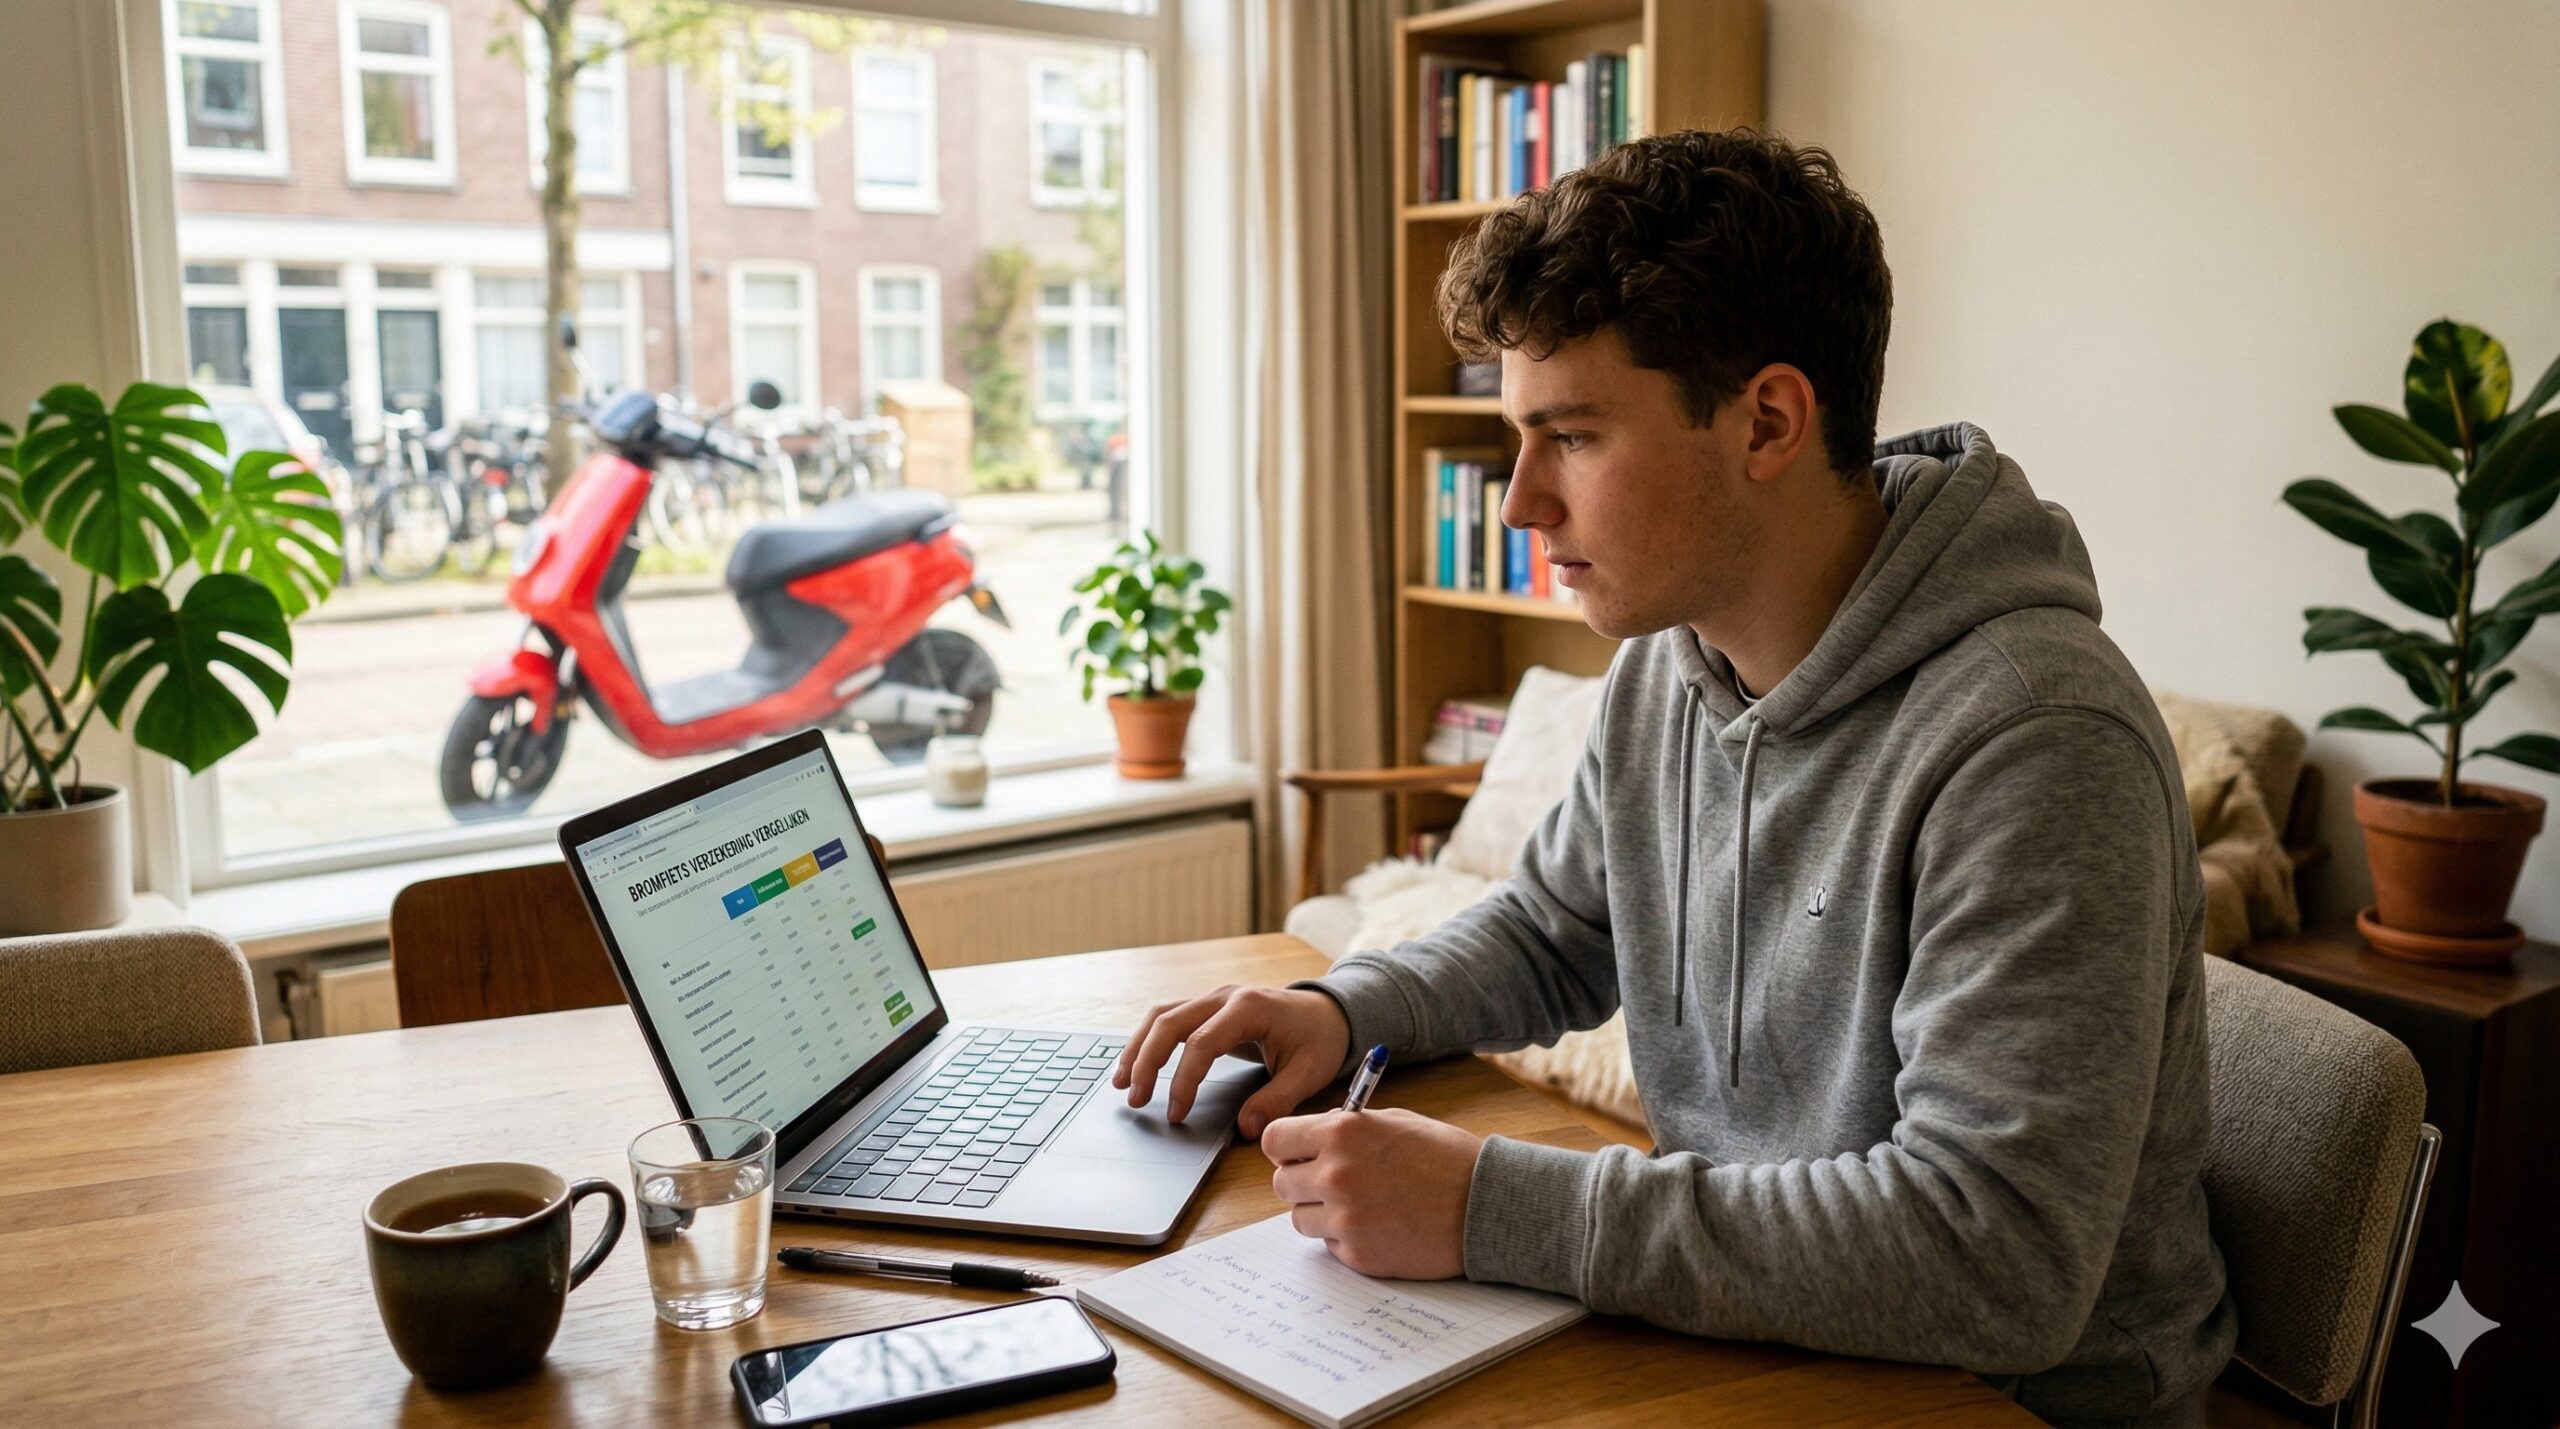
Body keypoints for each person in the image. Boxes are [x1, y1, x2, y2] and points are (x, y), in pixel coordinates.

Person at [1112, 128, 2234, 1425]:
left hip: (2001, 1401)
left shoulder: (2037, 740)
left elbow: (1997, 1260)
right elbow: (1555, 929)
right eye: (1519, 438)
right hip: (1759, 1340)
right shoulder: (1669, 664)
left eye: (1571, 436)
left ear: (1768, 421)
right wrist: (1345, 1008)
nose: (1521, 503)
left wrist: (1489, 1205)